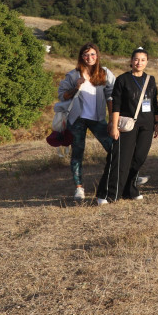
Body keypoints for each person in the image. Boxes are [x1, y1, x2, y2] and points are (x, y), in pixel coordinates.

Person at [95, 47, 158, 203]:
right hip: (127, 125)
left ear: (147, 62)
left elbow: (154, 103)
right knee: (120, 160)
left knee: (139, 158)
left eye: (143, 60)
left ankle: (129, 189)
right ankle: (108, 194)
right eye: (136, 59)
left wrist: (157, 123)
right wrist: (114, 126)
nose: (139, 62)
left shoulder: (150, 79)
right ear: (131, 61)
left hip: (147, 125)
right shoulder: (123, 79)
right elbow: (116, 105)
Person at [57, 43, 115, 201]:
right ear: (81, 57)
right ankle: (79, 188)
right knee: (77, 153)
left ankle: (123, 176)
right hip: (77, 120)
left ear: (97, 55)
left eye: (93, 54)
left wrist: (112, 120)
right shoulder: (73, 75)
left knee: (114, 147)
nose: (90, 58)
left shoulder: (105, 73)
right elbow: (62, 96)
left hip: (98, 119)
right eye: (86, 55)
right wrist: (76, 88)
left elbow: (113, 95)